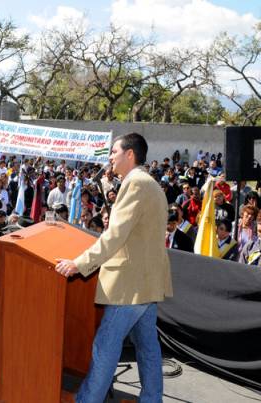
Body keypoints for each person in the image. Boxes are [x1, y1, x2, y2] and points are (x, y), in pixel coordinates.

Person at [56, 132, 172, 403]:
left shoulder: (136, 185)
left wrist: (79, 263)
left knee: (105, 346)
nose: (110, 157)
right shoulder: (150, 183)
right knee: (147, 348)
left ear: (129, 154)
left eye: (114, 152)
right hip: (147, 283)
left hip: (130, 285)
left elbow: (115, 235)